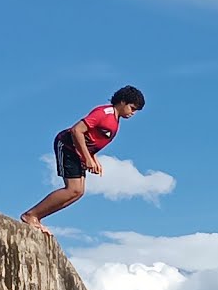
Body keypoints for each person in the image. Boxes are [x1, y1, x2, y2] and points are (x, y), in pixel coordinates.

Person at [20, 85, 146, 236]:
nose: (133, 113)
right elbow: (77, 130)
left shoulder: (115, 120)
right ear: (122, 102)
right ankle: (31, 215)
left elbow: (90, 139)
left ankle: (37, 218)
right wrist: (87, 158)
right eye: (132, 108)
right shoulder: (104, 113)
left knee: (78, 192)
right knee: (72, 189)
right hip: (67, 146)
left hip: (78, 152)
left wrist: (93, 158)